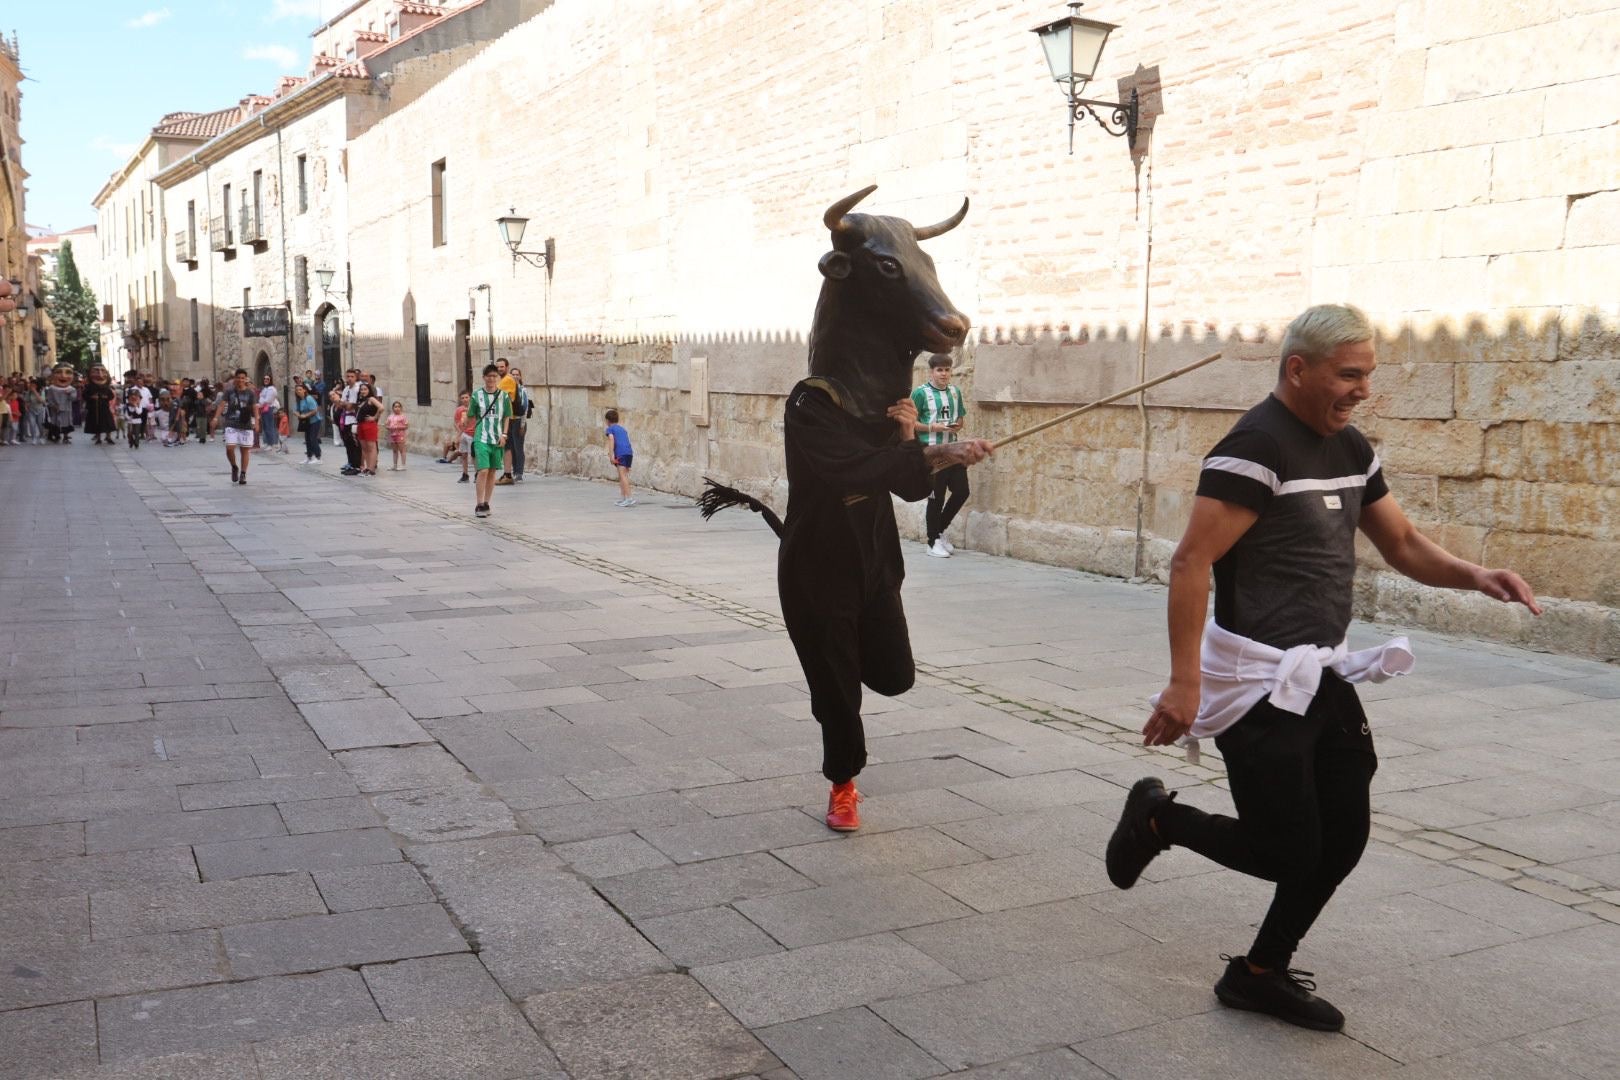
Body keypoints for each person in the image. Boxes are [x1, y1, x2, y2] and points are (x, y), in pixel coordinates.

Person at [1105, 303, 1542, 1033]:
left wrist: (1477, 575)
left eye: (1368, 374)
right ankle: (1159, 818)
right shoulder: (1253, 449)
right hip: (1255, 681)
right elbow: (1191, 561)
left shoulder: (1349, 448)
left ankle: (1259, 974)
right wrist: (1185, 682)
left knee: (1341, 837)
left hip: (1320, 675)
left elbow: (1400, 542)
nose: (1362, 389)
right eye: (1349, 374)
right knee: (1286, 848)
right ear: (1297, 370)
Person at [911, 354, 970, 558]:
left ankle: (939, 531)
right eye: (940, 370)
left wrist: (955, 425)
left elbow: (960, 419)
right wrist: (932, 427)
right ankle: (932, 541)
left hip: (952, 448)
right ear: (931, 372)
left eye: (947, 370)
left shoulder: (955, 392)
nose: (944, 374)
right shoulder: (920, 393)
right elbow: (910, 422)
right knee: (936, 496)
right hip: (932, 451)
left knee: (962, 491)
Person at [466, 364, 510, 518]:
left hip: (497, 438)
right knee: (483, 470)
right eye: (488, 376)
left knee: (492, 471)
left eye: (494, 376)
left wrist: (504, 435)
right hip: (481, 437)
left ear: (497, 378)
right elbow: (471, 415)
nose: (491, 379)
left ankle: (486, 502)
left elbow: (506, 416)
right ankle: (479, 503)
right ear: (484, 377)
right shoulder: (476, 395)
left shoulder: (503, 396)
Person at [211, 368, 260, 484]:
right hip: (231, 423)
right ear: (235, 379)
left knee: (244, 451)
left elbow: (255, 408)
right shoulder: (229, 391)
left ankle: (243, 474)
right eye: (238, 377)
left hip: (245, 424)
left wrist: (257, 422)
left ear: (245, 379)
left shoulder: (250, 393)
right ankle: (234, 466)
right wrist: (215, 418)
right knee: (229, 448)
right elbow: (222, 405)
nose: (240, 380)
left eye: (243, 378)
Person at [604, 409, 635, 507]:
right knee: (622, 476)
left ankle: (629, 498)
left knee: (623, 476)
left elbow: (611, 440)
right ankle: (623, 498)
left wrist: (611, 455)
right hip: (628, 453)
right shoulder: (623, 429)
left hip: (621, 453)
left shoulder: (610, 429)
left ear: (607, 421)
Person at [507, 368, 532, 481]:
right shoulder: (507, 389)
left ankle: (519, 472)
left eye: (517, 374)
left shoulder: (523, 390)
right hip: (509, 421)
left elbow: (525, 407)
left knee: (518, 447)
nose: (515, 376)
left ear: (520, 377)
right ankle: (514, 469)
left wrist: (522, 424)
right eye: (513, 374)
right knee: (511, 447)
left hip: (518, 421)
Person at [82, 366, 118, 445]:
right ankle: (98, 438)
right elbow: (84, 396)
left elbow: (111, 396)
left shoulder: (106, 387)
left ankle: (108, 437)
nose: (100, 375)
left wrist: (106, 397)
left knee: (108, 423)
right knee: (96, 423)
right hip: (94, 408)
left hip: (104, 408)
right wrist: (91, 397)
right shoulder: (89, 387)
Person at [44, 368, 78, 444]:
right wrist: (53, 406)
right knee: (55, 423)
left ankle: (65, 437)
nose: (63, 376)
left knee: (66, 423)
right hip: (55, 409)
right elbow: (49, 399)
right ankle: (56, 436)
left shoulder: (71, 389)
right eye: (59, 372)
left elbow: (73, 398)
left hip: (66, 409)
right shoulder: (51, 388)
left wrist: (69, 394)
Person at [355, 383, 382, 476]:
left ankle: (371, 469)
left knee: (371, 447)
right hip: (361, 424)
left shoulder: (371, 399)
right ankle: (367, 467)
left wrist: (374, 417)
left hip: (369, 425)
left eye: (365, 389)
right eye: (361, 389)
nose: (363, 391)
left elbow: (381, 407)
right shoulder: (362, 400)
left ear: (369, 390)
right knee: (364, 447)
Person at [296, 382, 323, 463]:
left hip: (314, 421)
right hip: (307, 422)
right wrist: (298, 415)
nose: (298, 391)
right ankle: (309, 456)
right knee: (307, 439)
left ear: (304, 390)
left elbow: (314, 411)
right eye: (297, 390)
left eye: (300, 389)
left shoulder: (309, 398)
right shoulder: (299, 400)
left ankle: (318, 457)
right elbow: (296, 410)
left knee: (313, 438)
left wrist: (305, 415)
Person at [258, 373, 284, 453]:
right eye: (265, 379)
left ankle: (271, 444)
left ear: (270, 380)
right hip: (264, 409)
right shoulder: (264, 388)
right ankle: (267, 442)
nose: (266, 380)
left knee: (270, 426)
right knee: (265, 427)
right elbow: (261, 398)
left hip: (269, 408)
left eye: (268, 379)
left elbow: (268, 400)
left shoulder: (272, 389)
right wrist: (262, 400)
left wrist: (261, 401)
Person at [386, 400, 410, 470]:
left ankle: (403, 465)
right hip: (392, 435)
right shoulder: (390, 416)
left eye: (399, 407)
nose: (397, 408)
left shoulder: (403, 417)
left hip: (400, 435)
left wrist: (398, 427)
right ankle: (395, 465)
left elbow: (406, 426)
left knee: (402, 450)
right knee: (394, 450)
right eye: (395, 407)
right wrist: (389, 427)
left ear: (401, 408)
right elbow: (386, 425)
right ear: (393, 408)